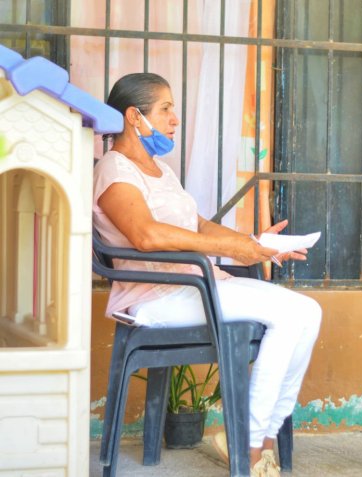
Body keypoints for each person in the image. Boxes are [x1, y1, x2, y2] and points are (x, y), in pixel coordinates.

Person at [93, 72, 322, 477]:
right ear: (133, 116)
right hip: (156, 296)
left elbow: (198, 225)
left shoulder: (160, 170)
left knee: (308, 311)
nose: (175, 119)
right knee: (289, 314)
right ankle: (247, 442)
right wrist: (235, 250)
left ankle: (262, 439)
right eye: (165, 109)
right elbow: (146, 235)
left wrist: (255, 243)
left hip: (196, 284)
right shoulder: (114, 170)